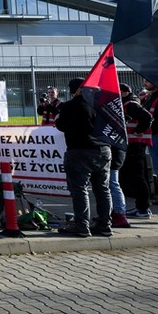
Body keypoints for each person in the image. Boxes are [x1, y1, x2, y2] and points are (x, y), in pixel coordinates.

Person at [55, 78, 113, 237]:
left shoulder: (70, 106)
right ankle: (104, 224)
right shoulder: (101, 105)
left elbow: (61, 124)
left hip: (80, 150)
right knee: (103, 189)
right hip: (103, 149)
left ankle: (81, 224)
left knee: (79, 189)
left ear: (74, 91)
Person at [118, 84, 155, 219]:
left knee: (137, 176)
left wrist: (138, 131)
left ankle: (143, 208)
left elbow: (147, 117)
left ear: (124, 92)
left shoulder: (131, 104)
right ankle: (141, 206)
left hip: (136, 144)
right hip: (134, 144)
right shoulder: (129, 103)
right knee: (135, 176)